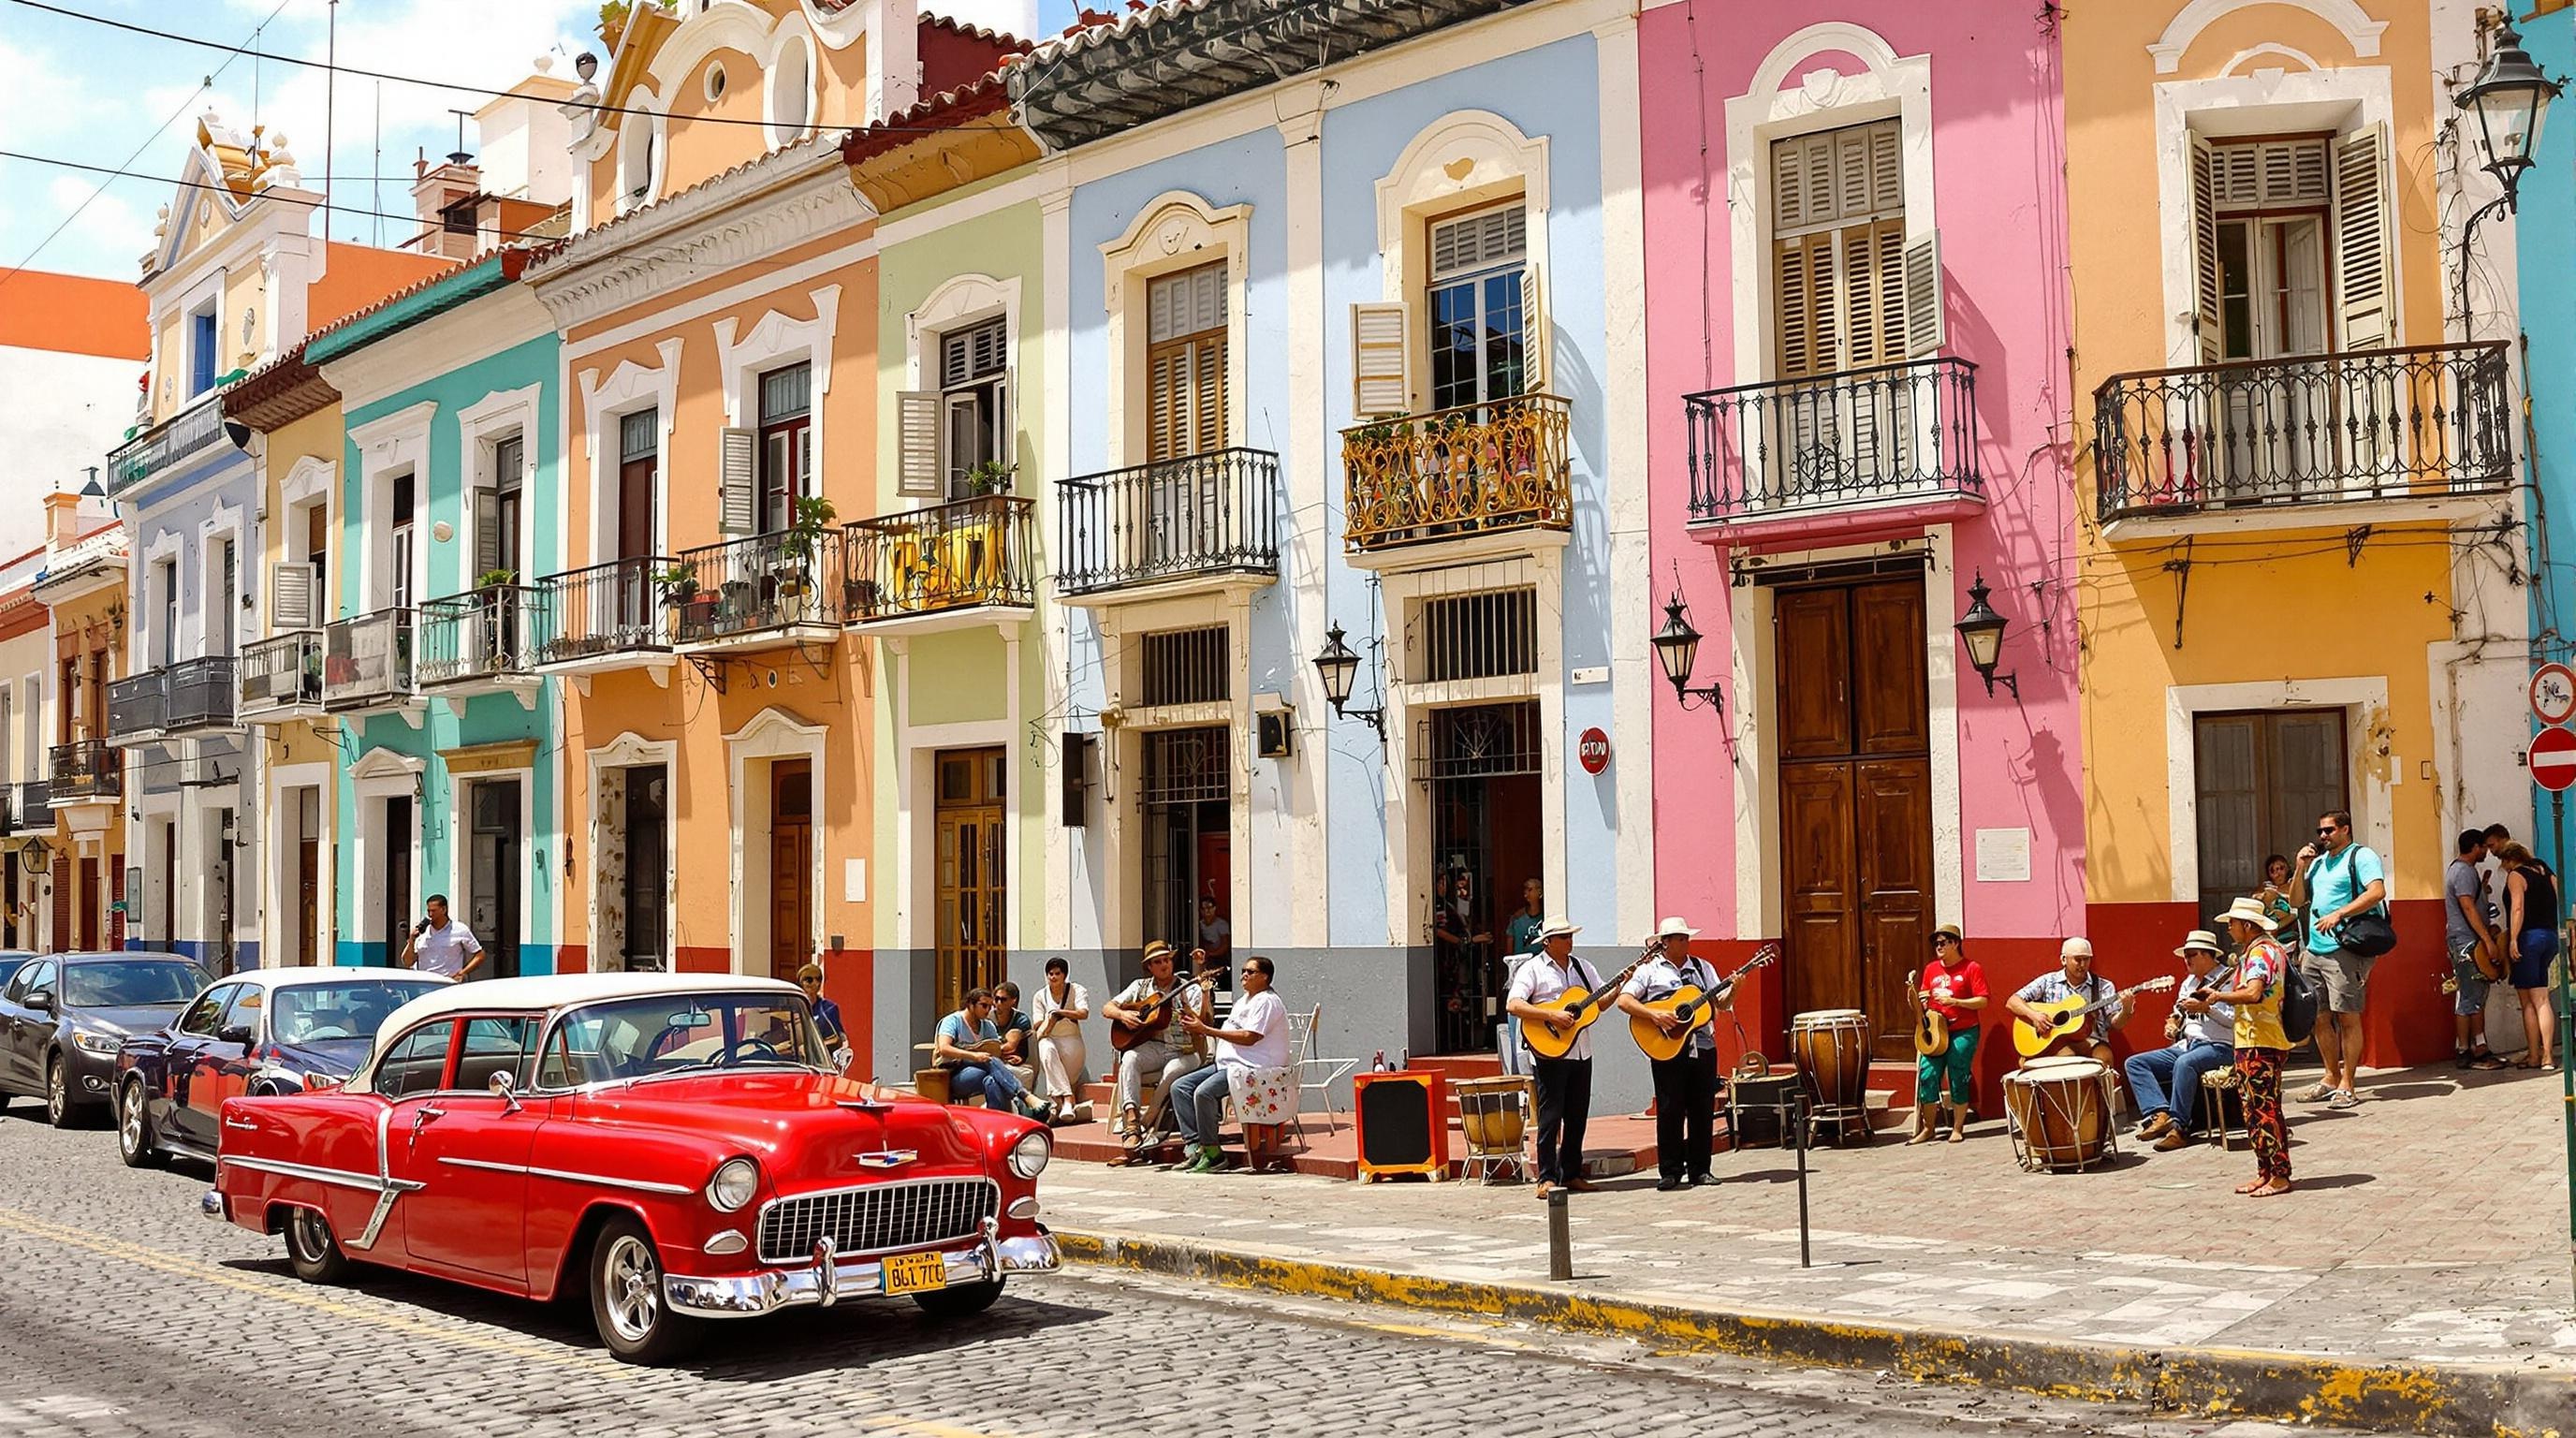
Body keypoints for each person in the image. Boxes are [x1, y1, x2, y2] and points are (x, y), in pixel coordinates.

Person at [1613, 917, 1725, 1189]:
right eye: (1679, 938)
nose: (1685, 942)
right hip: (1665, 1046)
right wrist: (1656, 1014)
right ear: (1665, 943)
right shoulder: (1649, 971)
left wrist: (1737, 987)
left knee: (1701, 1108)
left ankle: (1701, 1169)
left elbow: (1721, 1001)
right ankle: (1670, 1170)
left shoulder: (1702, 968)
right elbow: (1624, 1001)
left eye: (1686, 937)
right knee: (1669, 1108)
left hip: (1703, 1045)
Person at [2289, 808, 2385, 1107]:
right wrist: (2299, 867)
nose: (2322, 837)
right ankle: (2330, 1076)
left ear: (2345, 830)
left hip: (2346, 948)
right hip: (2314, 949)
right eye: (2320, 832)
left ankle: (2349, 1084)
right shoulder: (2316, 864)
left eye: (2328, 830)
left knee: (2348, 1017)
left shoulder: (2362, 856)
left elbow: (2377, 892)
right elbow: (2295, 901)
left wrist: (2339, 913)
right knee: (2318, 1017)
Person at [1505, 917, 1599, 1200]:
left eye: (1570, 935)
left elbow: (1600, 1000)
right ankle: (1546, 1177)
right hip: (1549, 1051)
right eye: (1563, 936)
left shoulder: (1583, 968)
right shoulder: (1532, 969)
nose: (1569, 941)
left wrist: (1621, 985)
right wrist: (1551, 1014)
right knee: (1550, 1116)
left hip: (1581, 1050)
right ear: (1548, 942)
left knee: (1577, 1115)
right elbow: (1514, 1004)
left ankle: (1571, 1172)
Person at [1168, 955, 1290, 1174]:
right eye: (1243, 970)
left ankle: (1214, 1154)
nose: (1243, 975)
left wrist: (1206, 1030)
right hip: (1228, 1064)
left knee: (1203, 1093)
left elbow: (1250, 1037)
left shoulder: (1267, 1001)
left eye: (1250, 972)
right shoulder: (1244, 1000)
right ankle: (1195, 1147)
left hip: (1251, 1067)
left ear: (1265, 977)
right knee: (1180, 1087)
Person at [2204, 897, 2292, 1196]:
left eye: (2232, 923)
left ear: (2246, 925)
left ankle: (2279, 1174)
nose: (2229, 928)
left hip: (2260, 1039)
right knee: (2253, 1109)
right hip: (2254, 1038)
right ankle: (2265, 1171)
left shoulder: (2260, 954)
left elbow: (2254, 993)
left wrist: (2217, 998)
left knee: (2263, 1108)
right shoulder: (2262, 950)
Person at [2124, 931, 2234, 1151]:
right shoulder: (2189, 983)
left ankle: (2180, 1128)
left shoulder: (2229, 980)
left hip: (2219, 1045)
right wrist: (2172, 1023)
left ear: (2207, 955)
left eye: (2191, 955)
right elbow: (2178, 1012)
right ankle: (2159, 1113)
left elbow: (2232, 1021)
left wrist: (2207, 1009)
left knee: (2185, 1063)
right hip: (2188, 1044)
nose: (2187, 960)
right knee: (2135, 1063)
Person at [1103, 941, 1209, 1158]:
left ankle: (1148, 1119)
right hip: (1154, 1047)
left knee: (1172, 1071)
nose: (1164, 965)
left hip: (1186, 1050)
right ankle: (1132, 1121)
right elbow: (1107, 1008)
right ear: (1149, 967)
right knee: (1130, 1058)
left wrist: (1193, 1011)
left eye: (1167, 960)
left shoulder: (1189, 989)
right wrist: (1123, 1015)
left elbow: (1204, 1023)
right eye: (1158, 962)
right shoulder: (1139, 987)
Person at [1909, 924, 1987, 1144]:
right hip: (1936, 1031)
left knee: (1958, 1075)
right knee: (1927, 1075)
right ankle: (1929, 1128)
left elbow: (1983, 1000)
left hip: (1964, 1030)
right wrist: (1919, 1002)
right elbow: (1924, 999)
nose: (1938, 947)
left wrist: (1956, 1002)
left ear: (1955, 943)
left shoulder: (1971, 968)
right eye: (1936, 943)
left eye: (1943, 943)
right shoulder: (1931, 969)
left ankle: (1958, 1127)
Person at [2003, 937, 2130, 1067]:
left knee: (2105, 1058)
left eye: (2086, 959)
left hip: (2092, 1041)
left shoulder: (2103, 986)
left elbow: (2116, 1025)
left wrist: (2126, 1010)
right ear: (2064, 959)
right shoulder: (2048, 981)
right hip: (2057, 1042)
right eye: (2077, 959)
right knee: (2067, 1059)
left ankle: (2102, 1088)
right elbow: (2012, 1001)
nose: (2082, 964)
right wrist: (2034, 1016)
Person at [933, 988, 1052, 1123]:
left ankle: (995, 1122)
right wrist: (974, 1056)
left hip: (980, 1072)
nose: (988, 1010)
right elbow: (944, 1048)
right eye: (984, 1005)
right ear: (971, 1005)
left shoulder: (988, 1025)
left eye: (990, 1006)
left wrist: (1007, 1058)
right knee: (989, 1062)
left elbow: (995, 1051)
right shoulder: (952, 1021)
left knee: (993, 1080)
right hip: (954, 1075)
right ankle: (1023, 1097)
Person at [2497, 840, 2562, 1072]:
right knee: (2542, 998)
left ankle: (2538, 1056)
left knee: (2529, 1002)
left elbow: (2518, 908)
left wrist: (2514, 939)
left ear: (2509, 859)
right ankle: (2547, 1055)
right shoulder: (2545, 870)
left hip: (2529, 939)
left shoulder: (2516, 875)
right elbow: (2558, 898)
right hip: (2549, 937)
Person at [2446, 829, 2506, 1070]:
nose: (2486, 852)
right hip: (2468, 943)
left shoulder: (2461, 871)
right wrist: (2488, 941)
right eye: (2484, 847)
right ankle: (2470, 1049)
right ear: (2475, 847)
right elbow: (2468, 907)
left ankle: (2472, 1046)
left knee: (2472, 995)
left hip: (2464, 940)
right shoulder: (2463, 872)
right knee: (2472, 996)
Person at [1030, 956, 1091, 1112]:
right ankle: (1069, 1100)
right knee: (1045, 1048)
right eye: (1050, 974)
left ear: (1064, 975)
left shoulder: (1077, 990)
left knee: (1061, 1080)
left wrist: (1061, 1013)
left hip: (1072, 1042)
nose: (1053, 977)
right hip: (1049, 1038)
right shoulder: (1040, 996)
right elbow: (1037, 1025)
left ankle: (1058, 1104)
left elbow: (1083, 1013)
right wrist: (1050, 1018)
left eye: (1057, 973)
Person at [399, 895, 485, 980]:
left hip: (447, 983)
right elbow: (408, 962)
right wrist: (411, 940)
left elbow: (480, 955)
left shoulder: (460, 929)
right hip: (424, 983)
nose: (430, 914)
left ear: (444, 910)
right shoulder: (422, 933)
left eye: (434, 911)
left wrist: (463, 973)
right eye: (428, 911)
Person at [796, 962, 852, 1071]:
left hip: (821, 1064)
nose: (815, 984)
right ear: (801, 983)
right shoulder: (793, 1008)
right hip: (795, 1064)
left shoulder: (829, 1009)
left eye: (819, 979)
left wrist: (814, 1047)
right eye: (809, 980)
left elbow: (840, 1039)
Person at [990, 980, 1038, 1093]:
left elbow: (1010, 1046)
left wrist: (992, 1050)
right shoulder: (987, 1018)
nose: (998, 1003)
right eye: (996, 999)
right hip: (993, 1059)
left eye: (1003, 999)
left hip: (1015, 1061)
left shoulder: (1020, 1019)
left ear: (1013, 1000)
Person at [2258, 855, 2302, 951]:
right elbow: (2256, 898)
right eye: (2273, 871)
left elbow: (2299, 902)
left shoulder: (2294, 884)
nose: (2278, 873)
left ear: (2287, 868)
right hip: (2271, 926)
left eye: (2281, 868)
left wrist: (2279, 895)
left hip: (2290, 929)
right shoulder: (2267, 886)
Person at [1192, 896, 1233, 989]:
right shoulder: (1199, 924)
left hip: (1220, 956)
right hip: (1205, 956)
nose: (1207, 911)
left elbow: (1225, 944)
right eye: (1204, 908)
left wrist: (1212, 953)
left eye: (1209, 908)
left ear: (1214, 908)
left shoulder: (1221, 924)